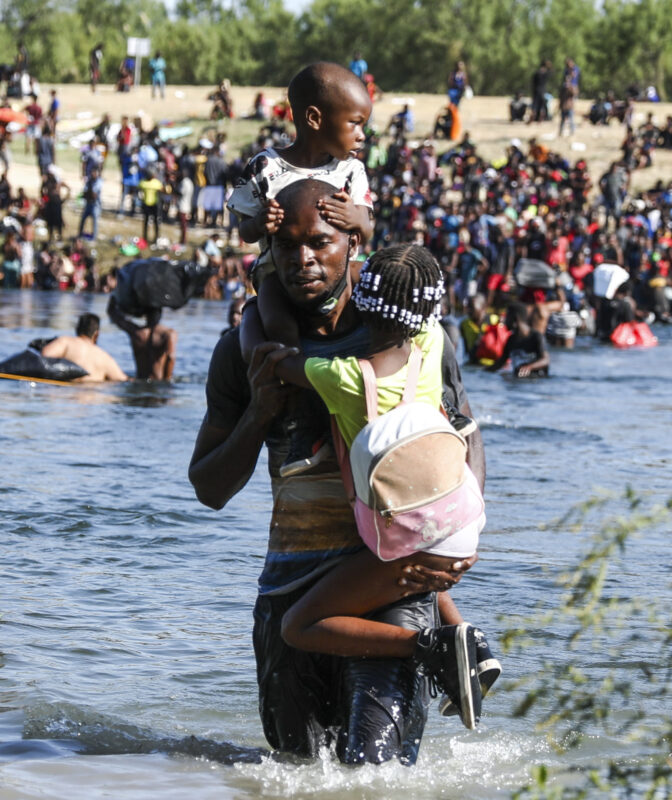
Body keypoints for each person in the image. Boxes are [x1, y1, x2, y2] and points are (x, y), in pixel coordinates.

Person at [189, 178, 486, 764]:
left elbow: (465, 436)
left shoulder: (411, 334)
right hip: (290, 587)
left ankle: (442, 641)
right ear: (268, 251)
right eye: (288, 245)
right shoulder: (243, 354)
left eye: (319, 242)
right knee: (294, 770)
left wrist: (464, 534)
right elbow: (209, 488)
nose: (304, 259)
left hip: (393, 580)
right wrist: (259, 415)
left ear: (353, 242)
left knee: (373, 775)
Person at [259, 245, 493, 730]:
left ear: (362, 302)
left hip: (403, 540)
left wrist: (260, 293)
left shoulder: (341, 377)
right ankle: (474, 645)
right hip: (456, 523)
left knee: (297, 626)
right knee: (409, 573)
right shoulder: (429, 347)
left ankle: (432, 644)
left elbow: (271, 361)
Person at [229, 62, 374, 477]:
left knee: (379, 293)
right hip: (279, 267)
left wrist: (356, 218)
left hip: (340, 269)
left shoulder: (351, 171)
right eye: (355, 124)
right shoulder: (267, 167)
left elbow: (367, 225)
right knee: (274, 312)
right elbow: (244, 228)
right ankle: (300, 422)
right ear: (314, 119)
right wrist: (262, 225)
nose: (362, 135)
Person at [40, 313, 129, 382]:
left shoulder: (65, 342)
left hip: (65, 396)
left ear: (77, 329)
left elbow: (44, 356)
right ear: (96, 334)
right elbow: (123, 380)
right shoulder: (105, 358)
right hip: (91, 397)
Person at [107, 296, 177, 381]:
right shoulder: (168, 334)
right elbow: (171, 357)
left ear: (145, 315)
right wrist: (167, 380)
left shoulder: (136, 332)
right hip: (158, 383)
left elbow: (113, 314)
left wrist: (114, 296)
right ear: (160, 313)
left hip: (139, 380)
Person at [488, 303, 550, 377]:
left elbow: (545, 360)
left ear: (515, 318)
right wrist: (483, 372)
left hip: (535, 381)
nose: (505, 321)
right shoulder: (511, 339)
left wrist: (529, 367)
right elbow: (500, 363)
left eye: (507, 317)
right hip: (518, 379)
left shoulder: (536, 337)